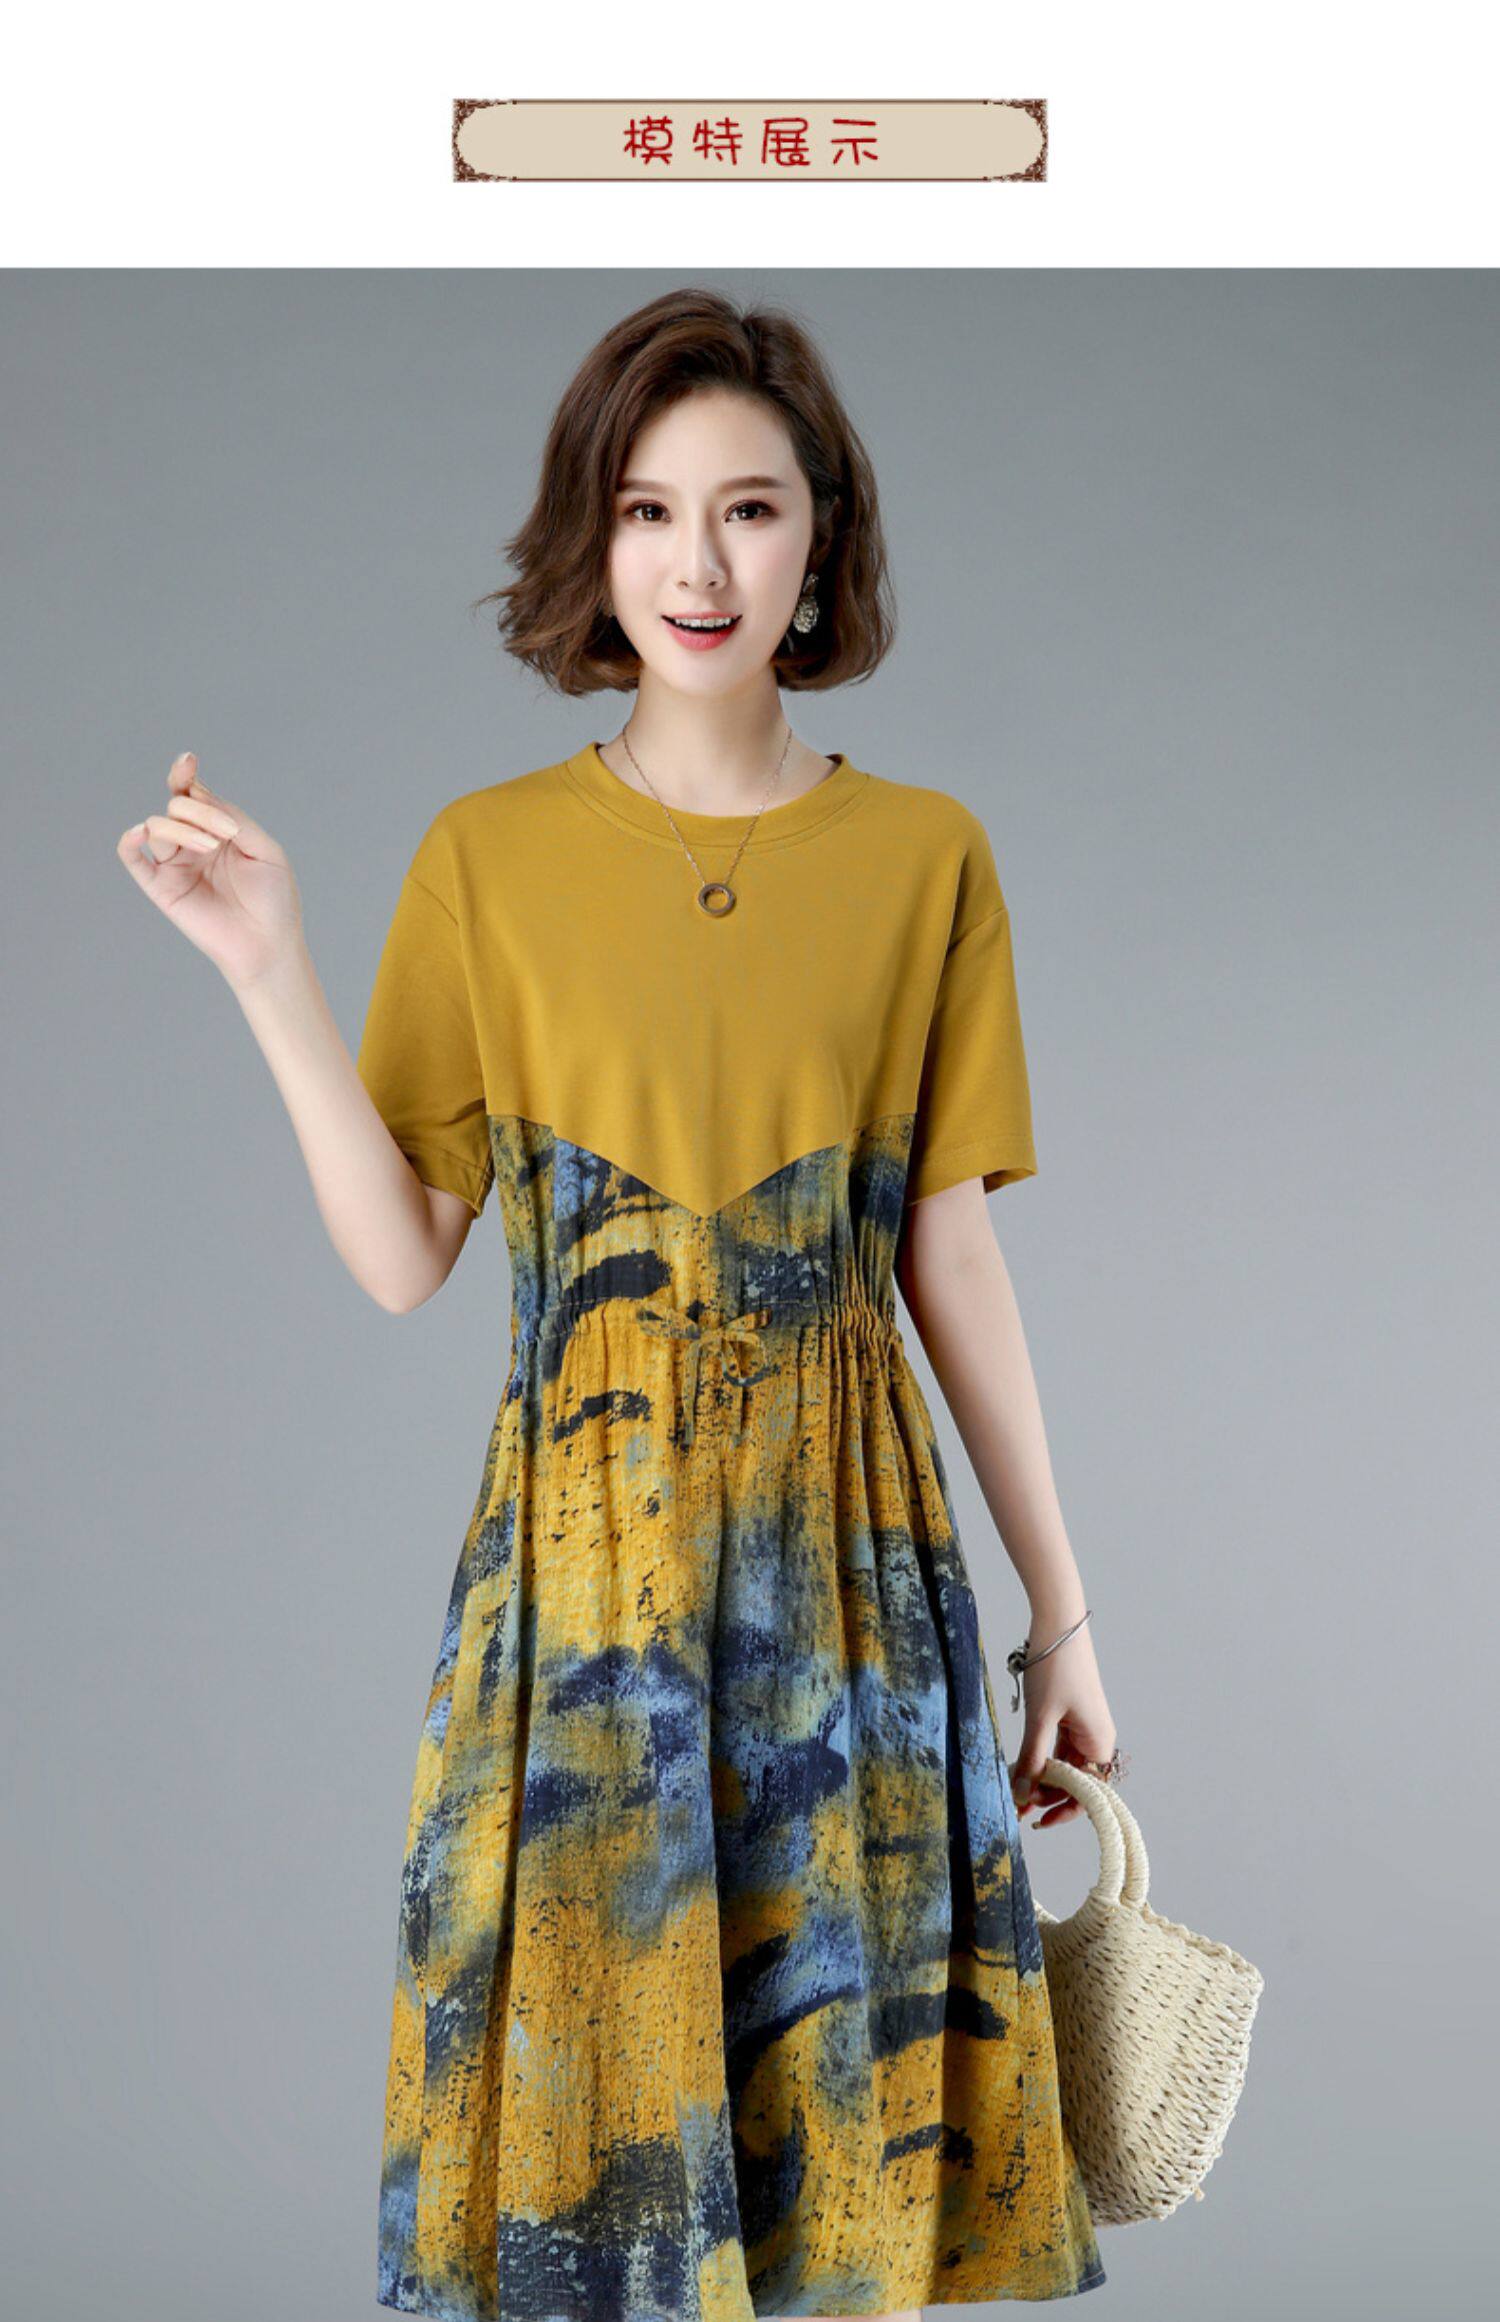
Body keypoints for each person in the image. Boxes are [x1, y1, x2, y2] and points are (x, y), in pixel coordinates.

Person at [116, 287, 1118, 2322]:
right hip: (585, 1607)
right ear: (596, 539)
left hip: (854, 1592)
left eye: (749, 508)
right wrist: (268, 969)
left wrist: (1066, 1615)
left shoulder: (926, 859)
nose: (697, 563)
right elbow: (405, 1253)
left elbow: (947, 1256)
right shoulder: (489, 860)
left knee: (845, 2169)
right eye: (651, 510)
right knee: (594, 2187)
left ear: (820, 540)